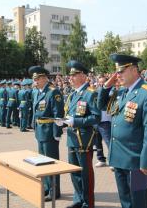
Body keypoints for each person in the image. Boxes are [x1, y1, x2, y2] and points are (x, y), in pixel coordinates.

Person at [98, 54, 147, 208]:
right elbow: (101, 105)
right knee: (126, 202)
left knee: (140, 202)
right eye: (116, 72)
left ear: (134, 70)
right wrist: (106, 86)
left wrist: (146, 161)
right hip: (119, 157)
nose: (117, 76)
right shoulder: (121, 93)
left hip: (135, 160)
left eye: (121, 72)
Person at [55, 60, 100, 208]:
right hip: (72, 138)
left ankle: (88, 203)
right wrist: (63, 121)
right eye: (70, 75)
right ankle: (78, 199)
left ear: (83, 76)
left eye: (74, 75)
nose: (71, 78)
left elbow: (96, 117)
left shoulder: (90, 94)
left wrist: (76, 121)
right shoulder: (72, 95)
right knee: (74, 173)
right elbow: (69, 114)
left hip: (84, 140)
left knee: (86, 174)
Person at [29, 66, 64, 201]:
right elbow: (35, 110)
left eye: (37, 79)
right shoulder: (37, 92)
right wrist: (33, 125)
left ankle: (54, 191)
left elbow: (58, 114)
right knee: (42, 161)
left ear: (44, 78)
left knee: (51, 162)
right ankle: (46, 188)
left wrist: (57, 133)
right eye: (34, 79)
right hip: (40, 131)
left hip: (49, 132)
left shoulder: (53, 92)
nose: (35, 81)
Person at [94, 76, 112, 168]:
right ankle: (101, 159)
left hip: (105, 121)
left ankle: (112, 160)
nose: (101, 84)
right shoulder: (95, 92)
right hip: (96, 121)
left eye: (103, 82)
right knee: (97, 142)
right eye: (99, 82)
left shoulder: (110, 91)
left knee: (108, 141)